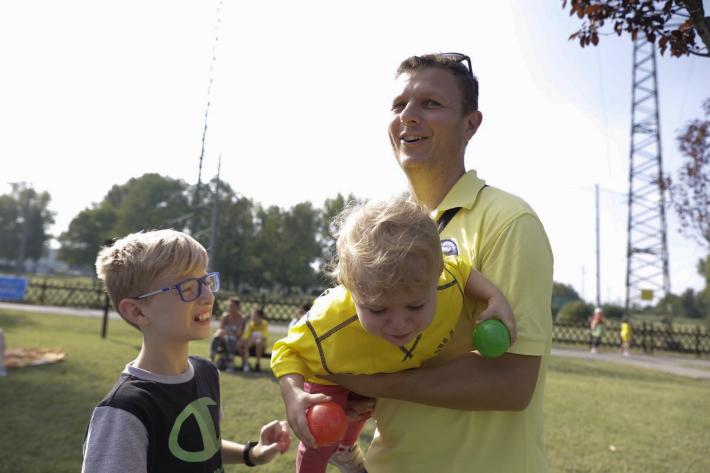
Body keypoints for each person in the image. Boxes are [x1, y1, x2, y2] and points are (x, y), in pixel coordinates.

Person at [324, 53, 554, 473]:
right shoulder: (388, 231)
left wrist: (371, 382)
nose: (408, 116)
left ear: (471, 124)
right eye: (399, 105)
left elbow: (512, 383)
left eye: (430, 103)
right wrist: (355, 391)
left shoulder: (508, 220)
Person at [271, 196, 516, 473]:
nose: (399, 324)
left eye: (415, 306)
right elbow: (287, 350)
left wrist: (494, 297)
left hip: (376, 366)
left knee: (364, 406)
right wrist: (293, 394)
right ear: (350, 289)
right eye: (377, 309)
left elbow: (461, 270)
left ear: (436, 278)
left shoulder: (445, 286)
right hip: (331, 370)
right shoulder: (329, 322)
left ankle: (345, 448)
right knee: (322, 434)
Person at [83, 229, 290, 472]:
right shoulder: (125, 410)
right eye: (188, 287)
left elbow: (201, 446)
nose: (208, 296)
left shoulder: (206, 372)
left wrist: (251, 453)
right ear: (137, 311)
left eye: (206, 282)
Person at [210, 296, 246, 371]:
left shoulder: (241, 318)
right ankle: (211, 361)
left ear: (237, 307)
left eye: (231, 306)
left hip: (236, 340)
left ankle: (230, 363)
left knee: (231, 339)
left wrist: (227, 333)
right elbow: (220, 329)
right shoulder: (225, 316)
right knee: (216, 337)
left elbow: (238, 334)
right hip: (224, 338)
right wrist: (219, 333)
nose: (229, 308)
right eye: (229, 306)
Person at [241, 308, 269, 372]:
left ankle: (257, 364)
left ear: (260, 317)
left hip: (261, 347)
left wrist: (253, 340)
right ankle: (245, 364)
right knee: (243, 343)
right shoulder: (250, 324)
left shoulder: (264, 324)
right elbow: (246, 336)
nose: (252, 318)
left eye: (255, 316)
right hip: (250, 345)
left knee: (259, 342)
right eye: (252, 316)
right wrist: (250, 341)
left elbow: (264, 337)